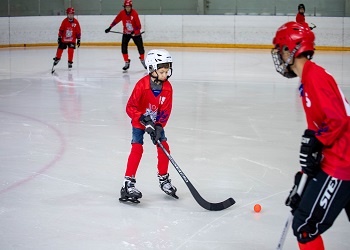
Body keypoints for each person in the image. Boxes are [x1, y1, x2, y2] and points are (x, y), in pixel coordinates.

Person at [271, 21, 350, 250]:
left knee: (305, 225)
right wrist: (306, 171)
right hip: (336, 159)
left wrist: (317, 141)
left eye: (280, 49)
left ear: (291, 49)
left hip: (342, 163)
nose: (278, 55)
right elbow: (323, 126)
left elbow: (338, 119)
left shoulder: (315, 78)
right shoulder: (307, 80)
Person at [119, 49, 178, 203]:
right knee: (137, 148)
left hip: (155, 123)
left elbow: (165, 111)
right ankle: (128, 183)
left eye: (167, 71)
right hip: (140, 122)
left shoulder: (167, 88)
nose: (165, 75)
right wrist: (143, 119)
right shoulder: (142, 85)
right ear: (151, 69)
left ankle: (164, 179)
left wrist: (159, 126)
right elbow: (130, 107)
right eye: (162, 71)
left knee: (164, 146)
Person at [104, 0, 146, 71]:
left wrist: (134, 31)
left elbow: (139, 26)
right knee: (123, 47)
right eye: (126, 7)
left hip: (135, 33)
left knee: (140, 48)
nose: (128, 8)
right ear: (124, 7)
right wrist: (110, 27)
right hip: (126, 33)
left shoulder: (134, 13)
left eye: (129, 7)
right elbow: (116, 20)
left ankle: (142, 60)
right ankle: (127, 62)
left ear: (131, 7)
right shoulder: (122, 13)